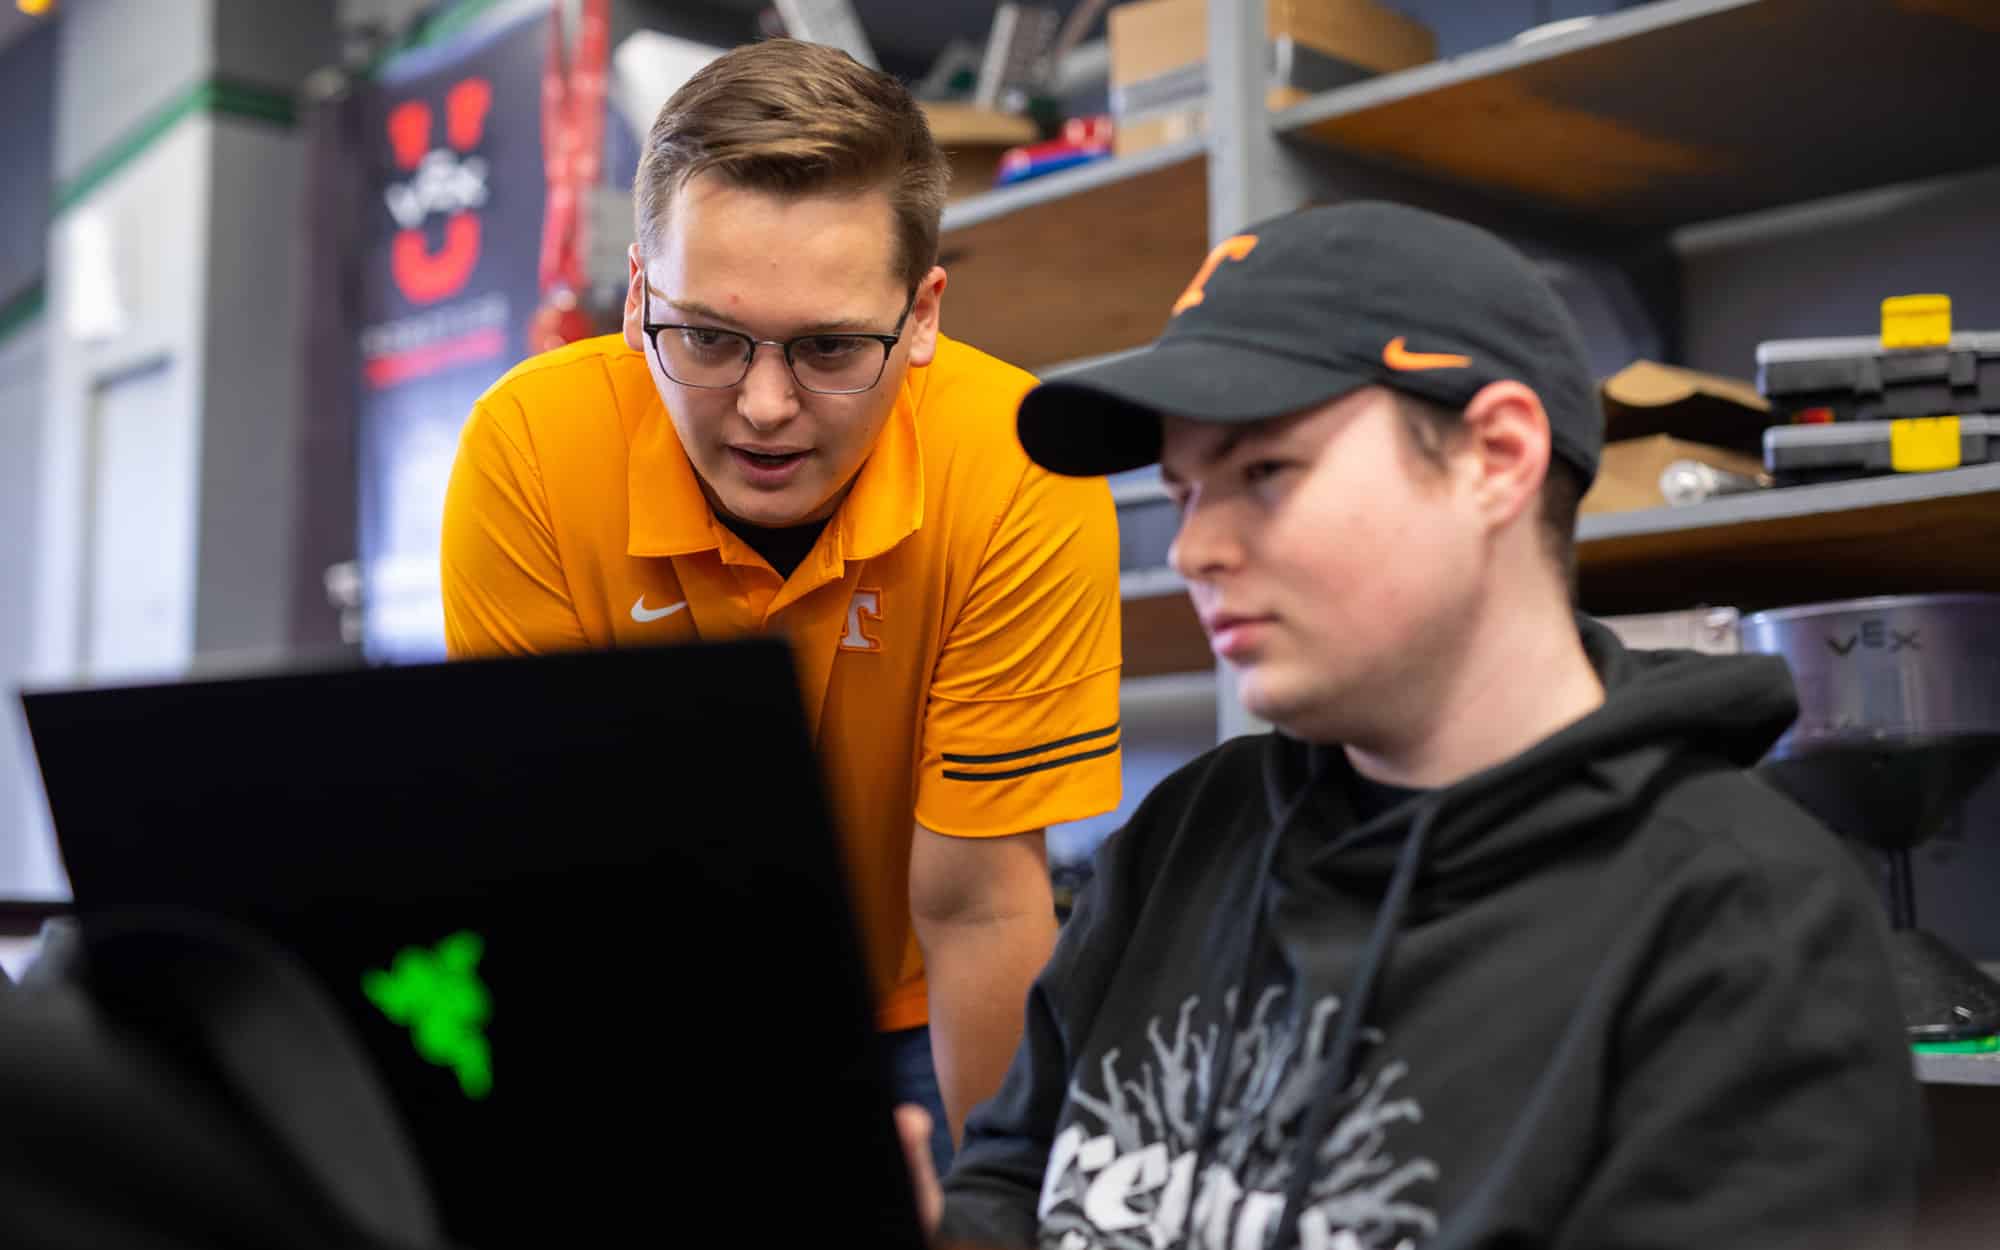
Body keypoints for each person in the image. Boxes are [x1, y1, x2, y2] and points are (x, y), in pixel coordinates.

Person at [908, 201, 1924, 1249]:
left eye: (1263, 472)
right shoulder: (1186, 833)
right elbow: (1007, 1182)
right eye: (1182, 489)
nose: (1194, 548)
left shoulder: (1743, 925)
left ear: (1494, 455)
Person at [438, 38, 1123, 1175]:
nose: (763, 407)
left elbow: (980, 912)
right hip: (643, 989)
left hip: (917, 1004)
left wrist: (994, 1208)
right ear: (636, 297)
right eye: (705, 336)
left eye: (829, 347)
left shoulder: (1017, 463)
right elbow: (560, 894)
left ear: (921, 317)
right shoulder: (529, 451)